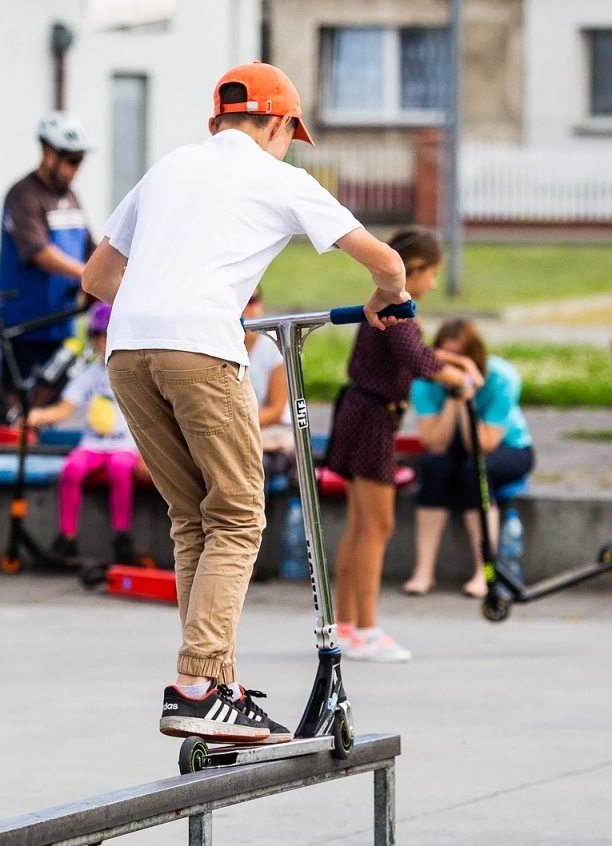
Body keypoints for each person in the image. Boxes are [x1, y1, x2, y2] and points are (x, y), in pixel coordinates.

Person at [82, 61, 411, 743]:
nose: (290, 144)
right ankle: (200, 682)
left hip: (128, 348)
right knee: (237, 515)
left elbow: (98, 276)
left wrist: (161, 308)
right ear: (277, 123)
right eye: (292, 132)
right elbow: (385, 260)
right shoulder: (280, 177)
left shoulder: (169, 167)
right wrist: (387, 299)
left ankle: (215, 686)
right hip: (200, 348)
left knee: (192, 519)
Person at [327, 229, 467, 663]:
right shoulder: (395, 303)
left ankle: (345, 625)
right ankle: (366, 629)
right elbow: (416, 358)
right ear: (415, 268)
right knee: (378, 525)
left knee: (360, 524)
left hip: (358, 409)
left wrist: (454, 361)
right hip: (372, 418)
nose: (433, 284)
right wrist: (456, 378)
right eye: (433, 274)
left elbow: (415, 350)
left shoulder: (387, 301)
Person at [402, 318, 534, 599]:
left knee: (474, 470)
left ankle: (484, 571)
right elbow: (435, 445)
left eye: (461, 359)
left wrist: (468, 397)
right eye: (446, 358)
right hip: (451, 445)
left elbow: (484, 444)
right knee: (434, 467)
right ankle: (424, 570)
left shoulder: (502, 378)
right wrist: (453, 397)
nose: (453, 366)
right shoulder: (425, 383)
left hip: (508, 448)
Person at [25, 303, 143, 567]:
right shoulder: (89, 376)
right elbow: (64, 409)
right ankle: (67, 536)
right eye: (100, 338)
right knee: (72, 469)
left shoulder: (133, 372)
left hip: (123, 445)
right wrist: (37, 416)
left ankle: (121, 535)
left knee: (120, 470)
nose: (105, 344)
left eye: (110, 336)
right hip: (92, 444)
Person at [0, 111, 96, 399]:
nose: (78, 168)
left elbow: (89, 246)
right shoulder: (23, 195)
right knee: (13, 405)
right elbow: (39, 252)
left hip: (59, 323)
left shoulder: (70, 196)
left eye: (81, 160)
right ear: (49, 154)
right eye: (72, 160)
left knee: (49, 400)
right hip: (24, 320)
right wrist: (85, 274)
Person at [243, 288, 296, 489]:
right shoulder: (218, 348)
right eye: (239, 299)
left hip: (271, 438)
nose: (244, 307)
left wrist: (232, 427)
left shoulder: (274, 346)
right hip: (239, 436)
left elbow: (276, 410)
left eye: (251, 300)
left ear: (261, 304)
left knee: (248, 469)